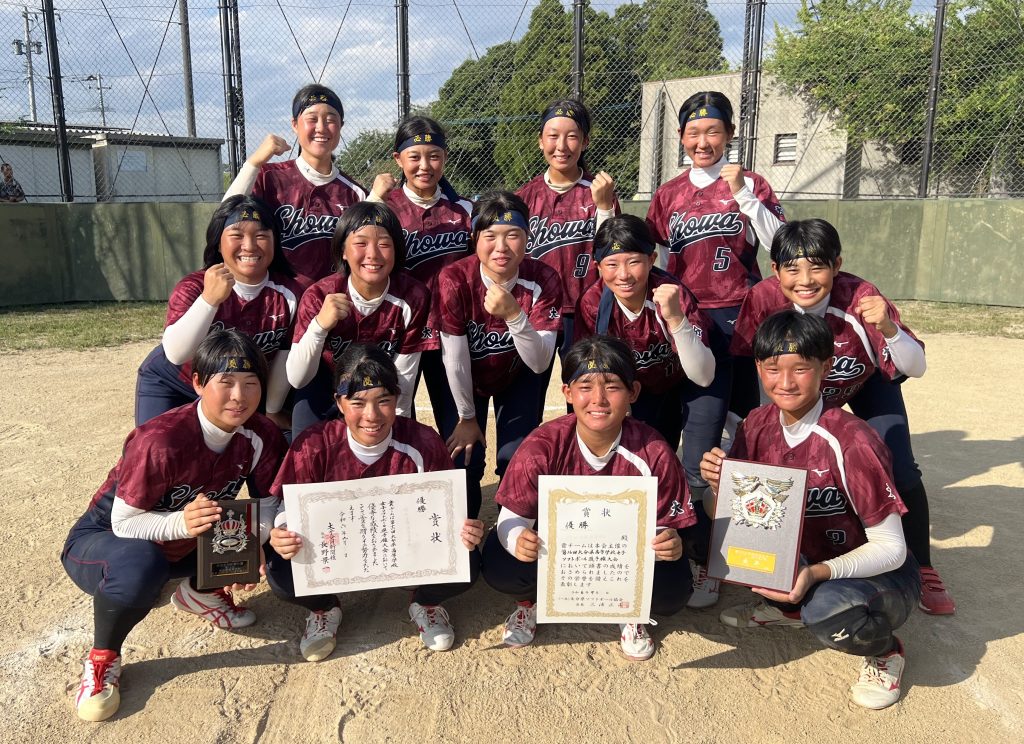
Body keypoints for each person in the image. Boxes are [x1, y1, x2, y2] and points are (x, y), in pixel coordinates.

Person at [730, 218, 955, 615]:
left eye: (817, 266)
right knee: (779, 472)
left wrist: (887, 327)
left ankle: (921, 564)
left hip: (860, 381)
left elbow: (914, 367)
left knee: (899, 468)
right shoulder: (764, 298)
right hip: (801, 391)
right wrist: (748, 424)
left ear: (837, 265)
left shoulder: (860, 297)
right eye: (792, 268)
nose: (805, 279)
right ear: (774, 269)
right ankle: (797, 550)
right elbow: (751, 362)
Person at [63, 330, 287, 722]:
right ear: (198, 383)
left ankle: (201, 592)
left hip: (184, 534)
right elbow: (124, 522)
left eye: (251, 383)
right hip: (107, 541)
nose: (240, 396)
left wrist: (253, 541)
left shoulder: (261, 433)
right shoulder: (160, 440)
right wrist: (181, 523)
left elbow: (270, 504)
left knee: (261, 529)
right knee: (142, 564)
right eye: (226, 382)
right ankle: (103, 660)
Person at [700, 310, 920, 710]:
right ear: (759, 369)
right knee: (727, 542)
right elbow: (733, 520)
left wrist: (815, 574)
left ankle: (886, 651)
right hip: (804, 555)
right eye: (772, 368)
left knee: (828, 611)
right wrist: (719, 486)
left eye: (801, 368)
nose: (785, 383)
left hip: (875, 570)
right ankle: (789, 608)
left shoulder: (852, 440)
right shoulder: (755, 424)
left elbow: (892, 549)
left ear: (826, 367)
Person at [645, 90, 786, 605]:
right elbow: (656, 259)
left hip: (743, 321)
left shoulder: (751, 185)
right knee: (695, 435)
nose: (703, 142)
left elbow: (780, 245)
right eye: (693, 133)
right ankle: (699, 555)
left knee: (750, 431)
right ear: (681, 138)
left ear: (729, 134)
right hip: (686, 318)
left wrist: (746, 195)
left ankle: (756, 550)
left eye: (713, 132)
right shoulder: (668, 194)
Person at [482, 335, 695, 660]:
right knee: (501, 563)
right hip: (558, 557)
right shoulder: (542, 446)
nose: (599, 399)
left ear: (633, 392)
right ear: (567, 393)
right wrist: (516, 539)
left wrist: (670, 541)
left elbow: (667, 525)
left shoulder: (653, 451)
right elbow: (511, 517)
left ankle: (631, 611)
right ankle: (529, 603)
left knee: (673, 588)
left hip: (620, 563)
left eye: (612, 386)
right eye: (585, 386)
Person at [266, 344, 484, 660]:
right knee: (282, 571)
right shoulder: (313, 445)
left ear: (398, 398)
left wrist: (463, 528)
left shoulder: (422, 441)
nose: (372, 416)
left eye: (383, 400)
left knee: (468, 562)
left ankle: (425, 602)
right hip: (338, 550)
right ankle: (324, 608)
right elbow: (289, 507)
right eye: (357, 402)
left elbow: (445, 508)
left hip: (402, 550)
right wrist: (283, 530)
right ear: (339, 403)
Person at [438, 191, 562, 518]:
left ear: (528, 237)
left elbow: (539, 362)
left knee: (517, 455)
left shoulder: (544, 278)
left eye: (513, 236)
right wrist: (467, 417)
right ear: (475, 238)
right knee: (463, 455)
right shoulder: (454, 279)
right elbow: (455, 359)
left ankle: (511, 533)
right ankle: (465, 532)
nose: (501, 247)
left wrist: (514, 315)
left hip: (517, 373)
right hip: (469, 376)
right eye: (490, 236)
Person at [134, 195, 298, 428]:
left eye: (261, 235)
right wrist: (209, 300)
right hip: (176, 383)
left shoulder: (290, 294)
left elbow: (283, 359)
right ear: (218, 243)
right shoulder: (195, 286)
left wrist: (272, 410)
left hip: (237, 391)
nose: (250, 245)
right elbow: (176, 354)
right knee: (157, 453)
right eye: (236, 235)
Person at [286, 201, 436, 437]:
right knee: (307, 460)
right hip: (323, 388)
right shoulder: (319, 295)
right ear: (343, 250)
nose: (373, 254)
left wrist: (395, 429)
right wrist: (319, 326)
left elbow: (404, 377)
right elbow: (297, 378)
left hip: (379, 395)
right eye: (360, 243)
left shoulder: (413, 297)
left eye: (384, 244)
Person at [369, 115, 473, 431]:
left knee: (458, 427)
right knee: (395, 423)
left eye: (434, 156)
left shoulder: (465, 210)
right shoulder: (385, 209)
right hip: (398, 333)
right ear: (398, 159)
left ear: (444, 158)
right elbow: (352, 248)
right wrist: (374, 198)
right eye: (414, 157)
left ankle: (464, 483)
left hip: (450, 333)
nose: (424, 166)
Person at [224, 84, 367, 290]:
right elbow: (224, 219)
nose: (321, 127)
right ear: (294, 124)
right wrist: (254, 163)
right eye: (312, 119)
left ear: (341, 125)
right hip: (276, 302)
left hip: (330, 305)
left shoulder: (355, 193)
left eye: (330, 120)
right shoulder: (269, 177)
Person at [516, 99, 619, 366]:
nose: (561, 146)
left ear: (585, 142)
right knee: (530, 390)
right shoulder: (524, 197)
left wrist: (605, 206)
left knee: (582, 387)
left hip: (586, 308)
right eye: (553, 136)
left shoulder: (599, 191)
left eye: (571, 137)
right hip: (535, 307)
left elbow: (612, 252)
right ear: (540, 140)